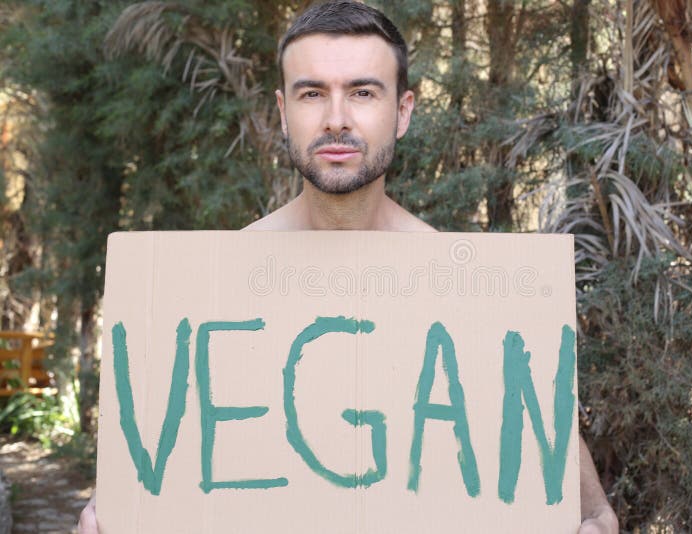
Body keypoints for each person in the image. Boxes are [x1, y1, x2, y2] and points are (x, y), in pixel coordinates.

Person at [78, 1, 619, 532]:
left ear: (403, 112)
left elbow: (575, 494)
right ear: (284, 113)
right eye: (312, 93)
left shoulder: (474, 295)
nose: (336, 119)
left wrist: (596, 520)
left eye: (362, 92)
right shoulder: (212, 292)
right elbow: (141, 487)